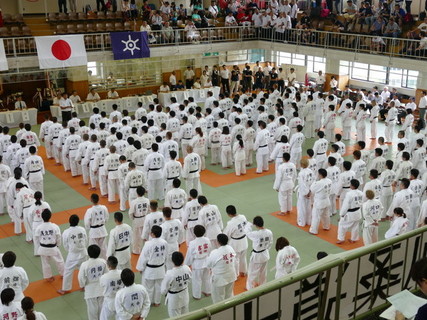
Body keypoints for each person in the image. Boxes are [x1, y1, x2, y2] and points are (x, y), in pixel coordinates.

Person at [136, 225, 167, 307]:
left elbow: (143, 258)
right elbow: (166, 256)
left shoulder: (148, 244)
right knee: (158, 287)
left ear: (152, 234)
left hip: (150, 270)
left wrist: (140, 268)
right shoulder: (164, 242)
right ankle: (157, 302)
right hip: (161, 269)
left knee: (149, 288)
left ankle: (148, 303)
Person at [33, 209, 65, 282]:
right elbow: (58, 237)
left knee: (45, 263)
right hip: (53, 247)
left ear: (42, 217)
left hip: (43, 248)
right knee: (60, 261)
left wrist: (38, 248)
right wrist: (58, 245)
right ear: (50, 216)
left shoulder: (39, 228)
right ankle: (63, 274)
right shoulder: (55, 226)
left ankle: (48, 277)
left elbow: (36, 239)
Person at [78, 245, 107, 320]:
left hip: (90, 290)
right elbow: (106, 275)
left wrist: (82, 285)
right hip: (101, 289)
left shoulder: (84, 265)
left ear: (88, 253)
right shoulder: (103, 262)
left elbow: (81, 277)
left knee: (92, 311)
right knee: (102, 309)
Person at [206, 233, 237, 303]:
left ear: (218, 242)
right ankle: (230, 309)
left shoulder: (215, 253)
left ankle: (220, 313)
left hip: (220, 279)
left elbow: (208, 264)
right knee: (229, 295)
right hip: (231, 275)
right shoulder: (230, 248)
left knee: (218, 298)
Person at [184, 225, 211, 300]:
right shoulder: (207, 240)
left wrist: (187, 264)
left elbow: (190, 255)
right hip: (206, 261)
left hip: (198, 264)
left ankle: (197, 295)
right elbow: (209, 250)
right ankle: (208, 291)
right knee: (207, 278)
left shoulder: (192, 243)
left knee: (197, 280)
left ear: (194, 233)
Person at [161, 251, 192, 317]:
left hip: (174, 299)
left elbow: (163, 290)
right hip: (185, 294)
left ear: (172, 261)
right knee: (186, 316)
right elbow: (190, 279)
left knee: (175, 318)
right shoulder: (187, 268)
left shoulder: (170, 274)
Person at [246, 216, 273, 290]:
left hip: (257, 256)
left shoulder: (256, 234)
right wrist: (266, 250)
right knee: (263, 272)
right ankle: (263, 285)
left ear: (255, 225)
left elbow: (247, 233)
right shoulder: (269, 232)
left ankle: (250, 288)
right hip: (265, 254)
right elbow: (270, 243)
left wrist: (249, 224)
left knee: (252, 273)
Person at [337, 179, 363, 244]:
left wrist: (341, 215)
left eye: (350, 184)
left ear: (352, 186)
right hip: (358, 212)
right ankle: (354, 239)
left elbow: (345, 206)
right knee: (355, 226)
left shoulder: (349, 194)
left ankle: (341, 239)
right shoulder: (361, 193)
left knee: (342, 225)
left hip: (350, 213)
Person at [84, 193, 109, 259]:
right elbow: (106, 218)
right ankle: (106, 263)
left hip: (94, 231)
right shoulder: (104, 208)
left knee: (93, 250)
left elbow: (87, 223)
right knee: (104, 249)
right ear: (98, 199)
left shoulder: (90, 211)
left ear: (91, 200)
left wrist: (89, 228)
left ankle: (94, 263)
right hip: (102, 230)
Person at [309, 169, 332, 235]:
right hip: (327, 200)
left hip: (319, 202)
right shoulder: (329, 181)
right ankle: (326, 226)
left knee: (316, 216)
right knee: (326, 215)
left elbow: (312, 189)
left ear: (320, 175)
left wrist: (315, 180)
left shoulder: (319, 183)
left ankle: (313, 230)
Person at [99, 256, 123, 320]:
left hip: (109, 300)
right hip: (120, 300)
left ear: (108, 265)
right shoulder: (122, 273)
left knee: (103, 318)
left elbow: (102, 285)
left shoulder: (104, 277)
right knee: (120, 317)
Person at [128, 186, 149, 254]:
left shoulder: (134, 202)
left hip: (137, 220)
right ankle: (147, 249)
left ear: (137, 193)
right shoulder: (147, 200)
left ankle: (137, 250)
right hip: (145, 218)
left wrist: (133, 219)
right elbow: (149, 210)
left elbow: (131, 213)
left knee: (137, 236)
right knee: (146, 234)